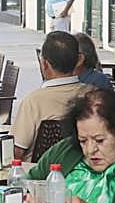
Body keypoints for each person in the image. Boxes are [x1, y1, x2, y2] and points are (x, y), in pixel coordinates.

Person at [10, 31, 87, 159]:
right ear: (79, 60)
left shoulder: (33, 102)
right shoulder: (94, 96)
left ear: (44, 63)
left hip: (38, 173)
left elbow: (16, 152)